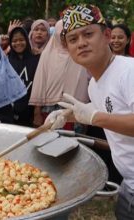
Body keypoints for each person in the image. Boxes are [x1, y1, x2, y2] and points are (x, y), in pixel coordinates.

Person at [45, 4, 134, 219]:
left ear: (106, 36)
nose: (81, 43)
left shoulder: (128, 71)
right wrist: (71, 114)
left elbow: (102, 116)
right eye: (73, 39)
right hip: (129, 184)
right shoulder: (94, 85)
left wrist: (94, 117)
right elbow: (112, 112)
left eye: (88, 34)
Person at [29, 20, 90, 130]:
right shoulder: (47, 54)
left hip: (75, 108)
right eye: (61, 34)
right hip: (49, 108)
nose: (64, 38)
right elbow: (40, 82)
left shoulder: (81, 53)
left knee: (74, 143)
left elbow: (88, 81)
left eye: (68, 34)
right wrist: (36, 111)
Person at [8, 27, 40, 126]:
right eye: (14, 41)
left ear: (27, 40)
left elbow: (40, 85)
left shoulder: (37, 59)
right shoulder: (7, 61)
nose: (18, 43)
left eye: (21, 40)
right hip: (10, 113)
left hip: (31, 113)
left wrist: (37, 111)